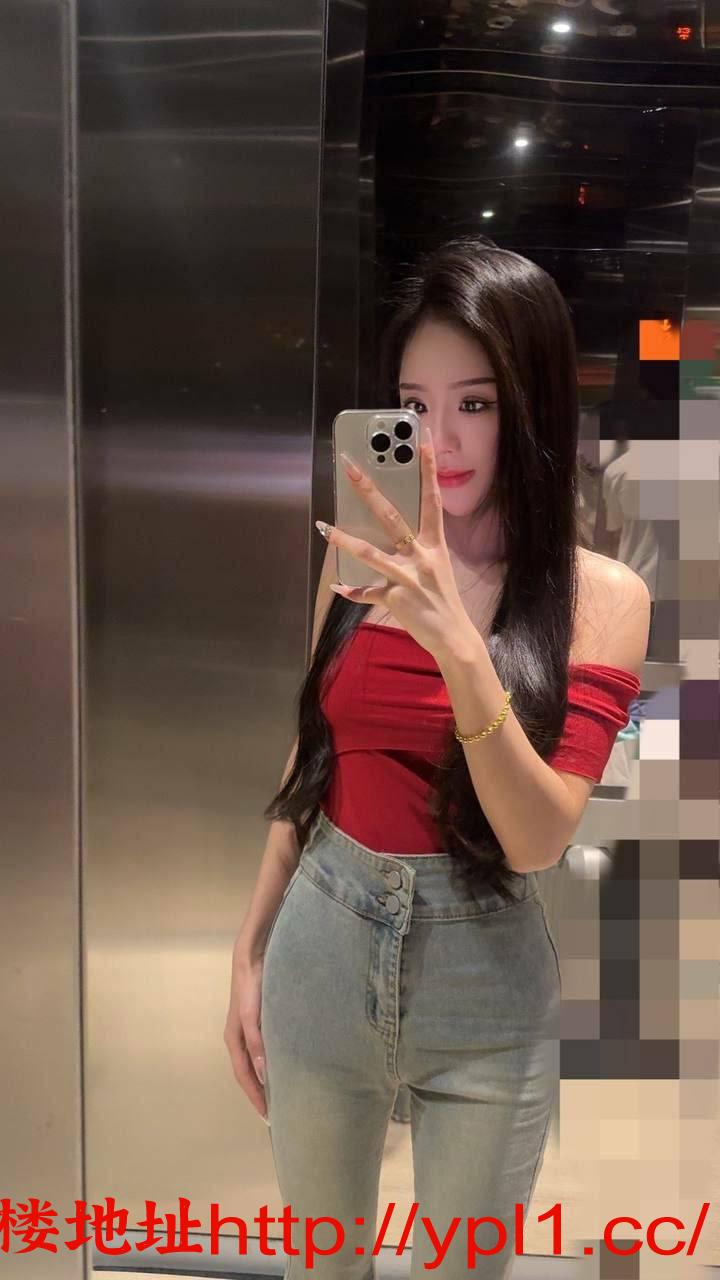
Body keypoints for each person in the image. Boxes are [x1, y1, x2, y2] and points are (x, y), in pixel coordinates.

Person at [224, 238, 651, 1279]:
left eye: (476, 403)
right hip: (322, 939)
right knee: (325, 1265)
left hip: (485, 979)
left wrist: (460, 646)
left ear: (530, 409)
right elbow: (311, 759)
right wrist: (249, 949)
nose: (439, 439)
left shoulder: (602, 598)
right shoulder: (355, 563)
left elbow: (538, 839)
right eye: (414, 405)